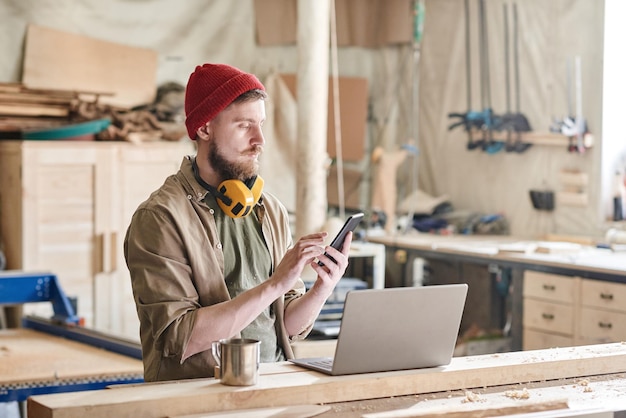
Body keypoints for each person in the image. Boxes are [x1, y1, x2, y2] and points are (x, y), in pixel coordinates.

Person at [124, 63, 353, 382]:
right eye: (245, 126)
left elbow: (283, 324)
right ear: (204, 129)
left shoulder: (268, 209)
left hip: (271, 387)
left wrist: (321, 289)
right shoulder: (161, 218)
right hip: (199, 400)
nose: (259, 140)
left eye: (260, 124)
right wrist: (276, 283)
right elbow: (180, 338)